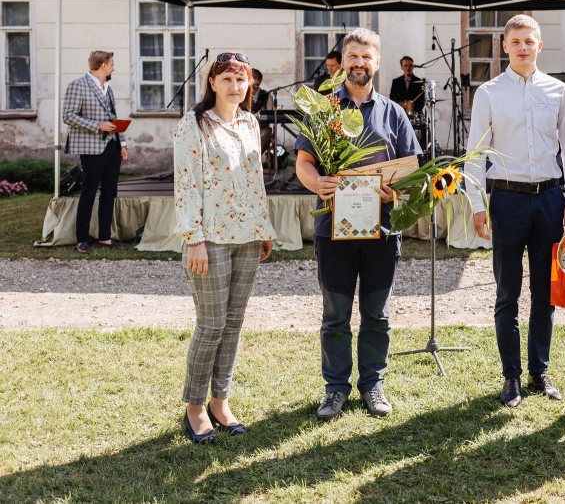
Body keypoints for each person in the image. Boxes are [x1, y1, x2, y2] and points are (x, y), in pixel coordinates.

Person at [294, 28, 421, 420]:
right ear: (342, 60)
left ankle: (372, 384)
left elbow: (411, 170)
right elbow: (303, 164)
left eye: (367, 57)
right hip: (334, 230)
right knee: (335, 314)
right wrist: (320, 183)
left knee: (376, 314)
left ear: (377, 62)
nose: (359, 63)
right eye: (353, 56)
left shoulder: (394, 113)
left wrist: (395, 193)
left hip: (382, 229)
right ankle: (335, 389)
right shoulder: (323, 110)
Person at [465, 14, 565, 408]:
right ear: (504, 46)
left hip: (549, 200)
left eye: (529, 41)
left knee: (545, 292)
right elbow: (475, 154)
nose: (522, 47)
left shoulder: (559, 91)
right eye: (515, 41)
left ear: (539, 45)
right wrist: (477, 204)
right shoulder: (489, 93)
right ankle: (511, 377)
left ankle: (540, 370)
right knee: (507, 292)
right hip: (507, 200)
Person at [173, 52, 276, 444]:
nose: (235, 86)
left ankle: (221, 401)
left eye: (242, 79)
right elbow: (186, 185)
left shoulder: (250, 122)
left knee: (233, 325)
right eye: (227, 79)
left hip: (248, 239)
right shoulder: (194, 124)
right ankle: (195, 407)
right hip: (210, 240)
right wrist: (193, 239)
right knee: (211, 325)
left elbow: (256, 181)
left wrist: (263, 227)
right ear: (212, 83)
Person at [62, 51, 129, 255]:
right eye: (112, 64)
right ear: (103, 66)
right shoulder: (77, 85)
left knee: (109, 193)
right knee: (89, 193)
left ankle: (105, 238)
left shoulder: (107, 88)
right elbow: (68, 116)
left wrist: (123, 143)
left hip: (112, 147)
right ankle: (82, 239)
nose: (113, 67)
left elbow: (113, 117)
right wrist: (97, 125)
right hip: (91, 148)